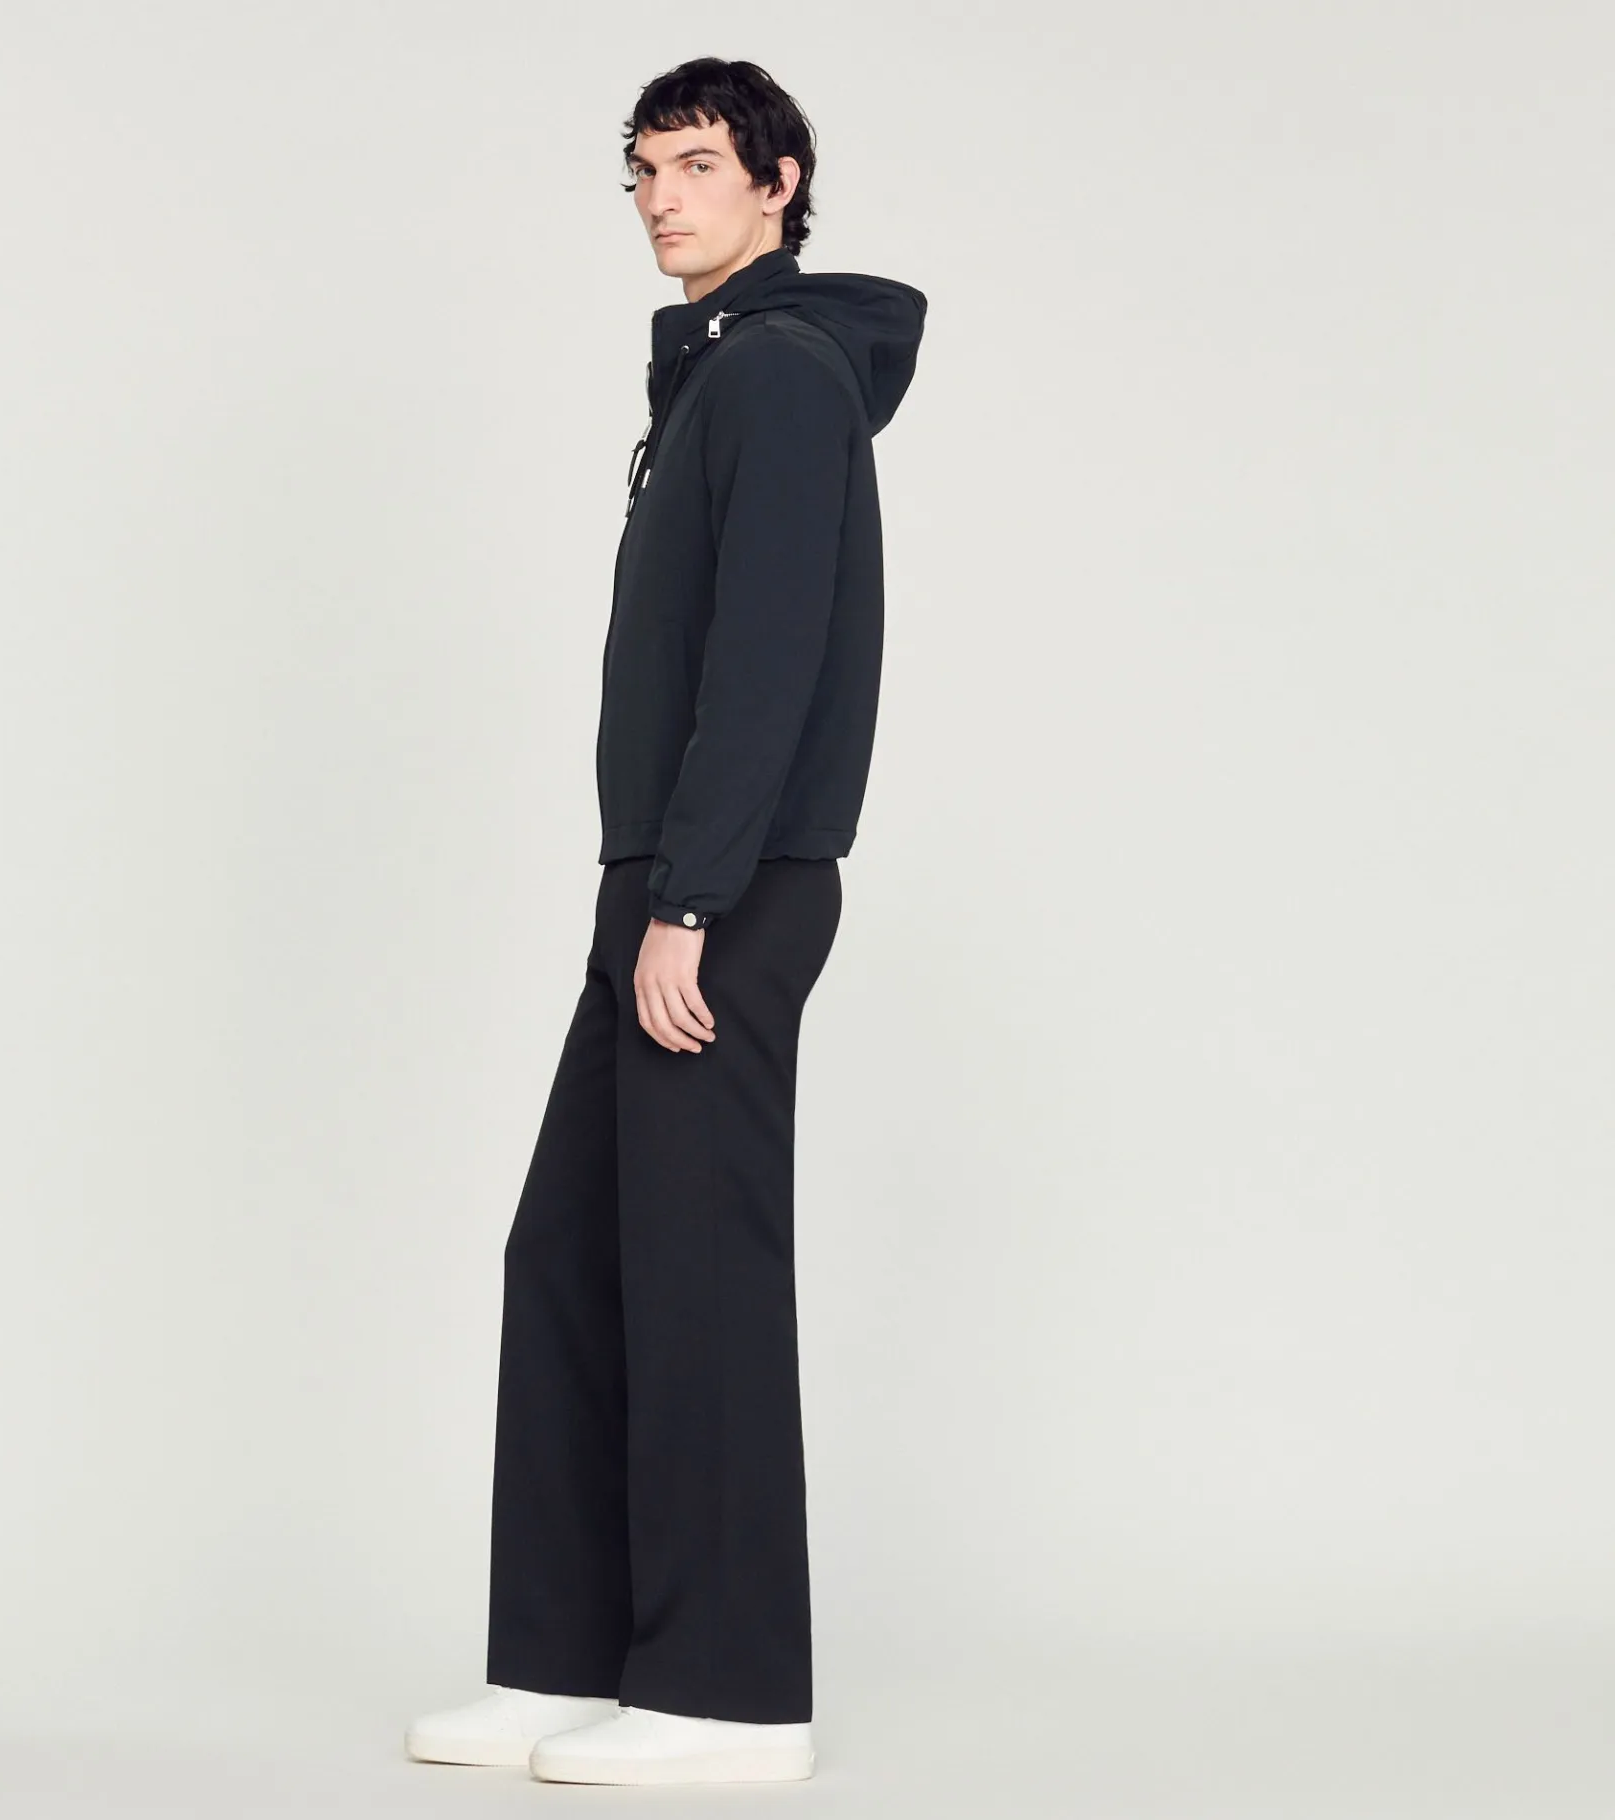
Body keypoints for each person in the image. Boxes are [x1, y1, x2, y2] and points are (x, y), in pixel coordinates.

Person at [406, 55, 925, 1787]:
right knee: (572, 1257)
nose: (659, 197)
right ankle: (562, 1661)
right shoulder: (712, 374)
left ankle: (728, 1699)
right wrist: (655, 892)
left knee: (697, 1275)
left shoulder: (776, 376)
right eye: (641, 171)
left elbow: (767, 664)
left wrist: (693, 899)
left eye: (697, 164)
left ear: (781, 182)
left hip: (727, 887)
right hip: (662, 885)